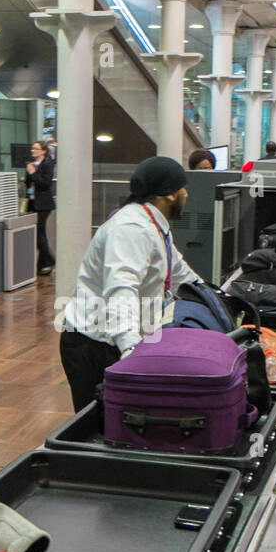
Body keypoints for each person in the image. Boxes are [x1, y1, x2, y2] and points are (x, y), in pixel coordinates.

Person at [58, 156, 201, 412]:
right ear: (169, 194)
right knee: (101, 428)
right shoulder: (131, 229)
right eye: (183, 188)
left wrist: (217, 299)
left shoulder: (153, 224)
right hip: (94, 342)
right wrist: (131, 350)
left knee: (122, 423)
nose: (186, 194)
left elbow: (179, 272)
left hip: (116, 338)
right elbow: (121, 289)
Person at [25, 140, 56, 275]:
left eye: (36, 149)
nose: (33, 151)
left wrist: (32, 173)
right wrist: (29, 173)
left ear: (43, 151)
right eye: (32, 148)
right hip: (33, 202)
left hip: (44, 203)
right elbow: (28, 183)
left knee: (39, 234)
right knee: (39, 234)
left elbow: (45, 183)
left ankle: (50, 260)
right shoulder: (31, 164)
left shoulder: (47, 164)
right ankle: (42, 266)